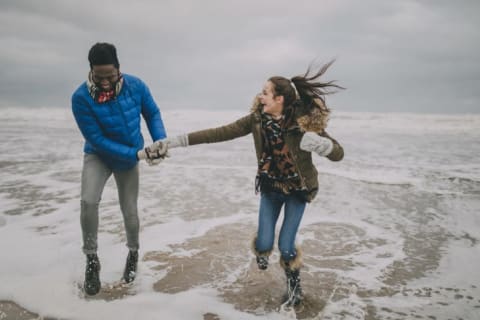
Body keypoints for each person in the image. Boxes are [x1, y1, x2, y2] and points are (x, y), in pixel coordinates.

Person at [148, 61, 344, 306]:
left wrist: (323, 146)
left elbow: (339, 153)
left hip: (298, 192)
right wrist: (174, 142)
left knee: (285, 246)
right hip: (271, 189)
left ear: (280, 98)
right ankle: (263, 252)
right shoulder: (256, 121)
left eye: (265, 92)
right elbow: (218, 133)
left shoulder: (304, 124)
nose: (260, 96)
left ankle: (294, 287)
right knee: (263, 243)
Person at [71, 42, 167, 296]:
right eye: (99, 76)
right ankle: (92, 260)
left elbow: (153, 113)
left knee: (129, 210)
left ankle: (133, 253)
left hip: (129, 157)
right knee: (88, 202)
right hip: (98, 156)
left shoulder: (136, 86)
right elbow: (97, 139)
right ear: (91, 70)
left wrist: (159, 141)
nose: (105, 82)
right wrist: (136, 153)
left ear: (119, 69)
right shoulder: (80, 98)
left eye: (110, 76)